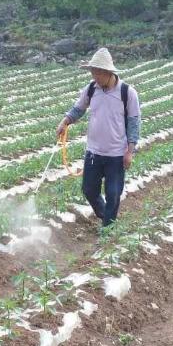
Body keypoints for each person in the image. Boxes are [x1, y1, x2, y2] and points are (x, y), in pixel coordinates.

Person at [56, 47, 141, 227]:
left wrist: (130, 151)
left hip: (116, 153)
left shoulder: (127, 93)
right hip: (94, 152)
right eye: (92, 73)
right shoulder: (91, 89)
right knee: (89, 190)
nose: (94, 77)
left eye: (97, 73)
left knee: (113, 193)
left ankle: (108, 229)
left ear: (107, 72)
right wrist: (65, 121)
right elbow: (78, 109)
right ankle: (106, 217)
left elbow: (134, 123)